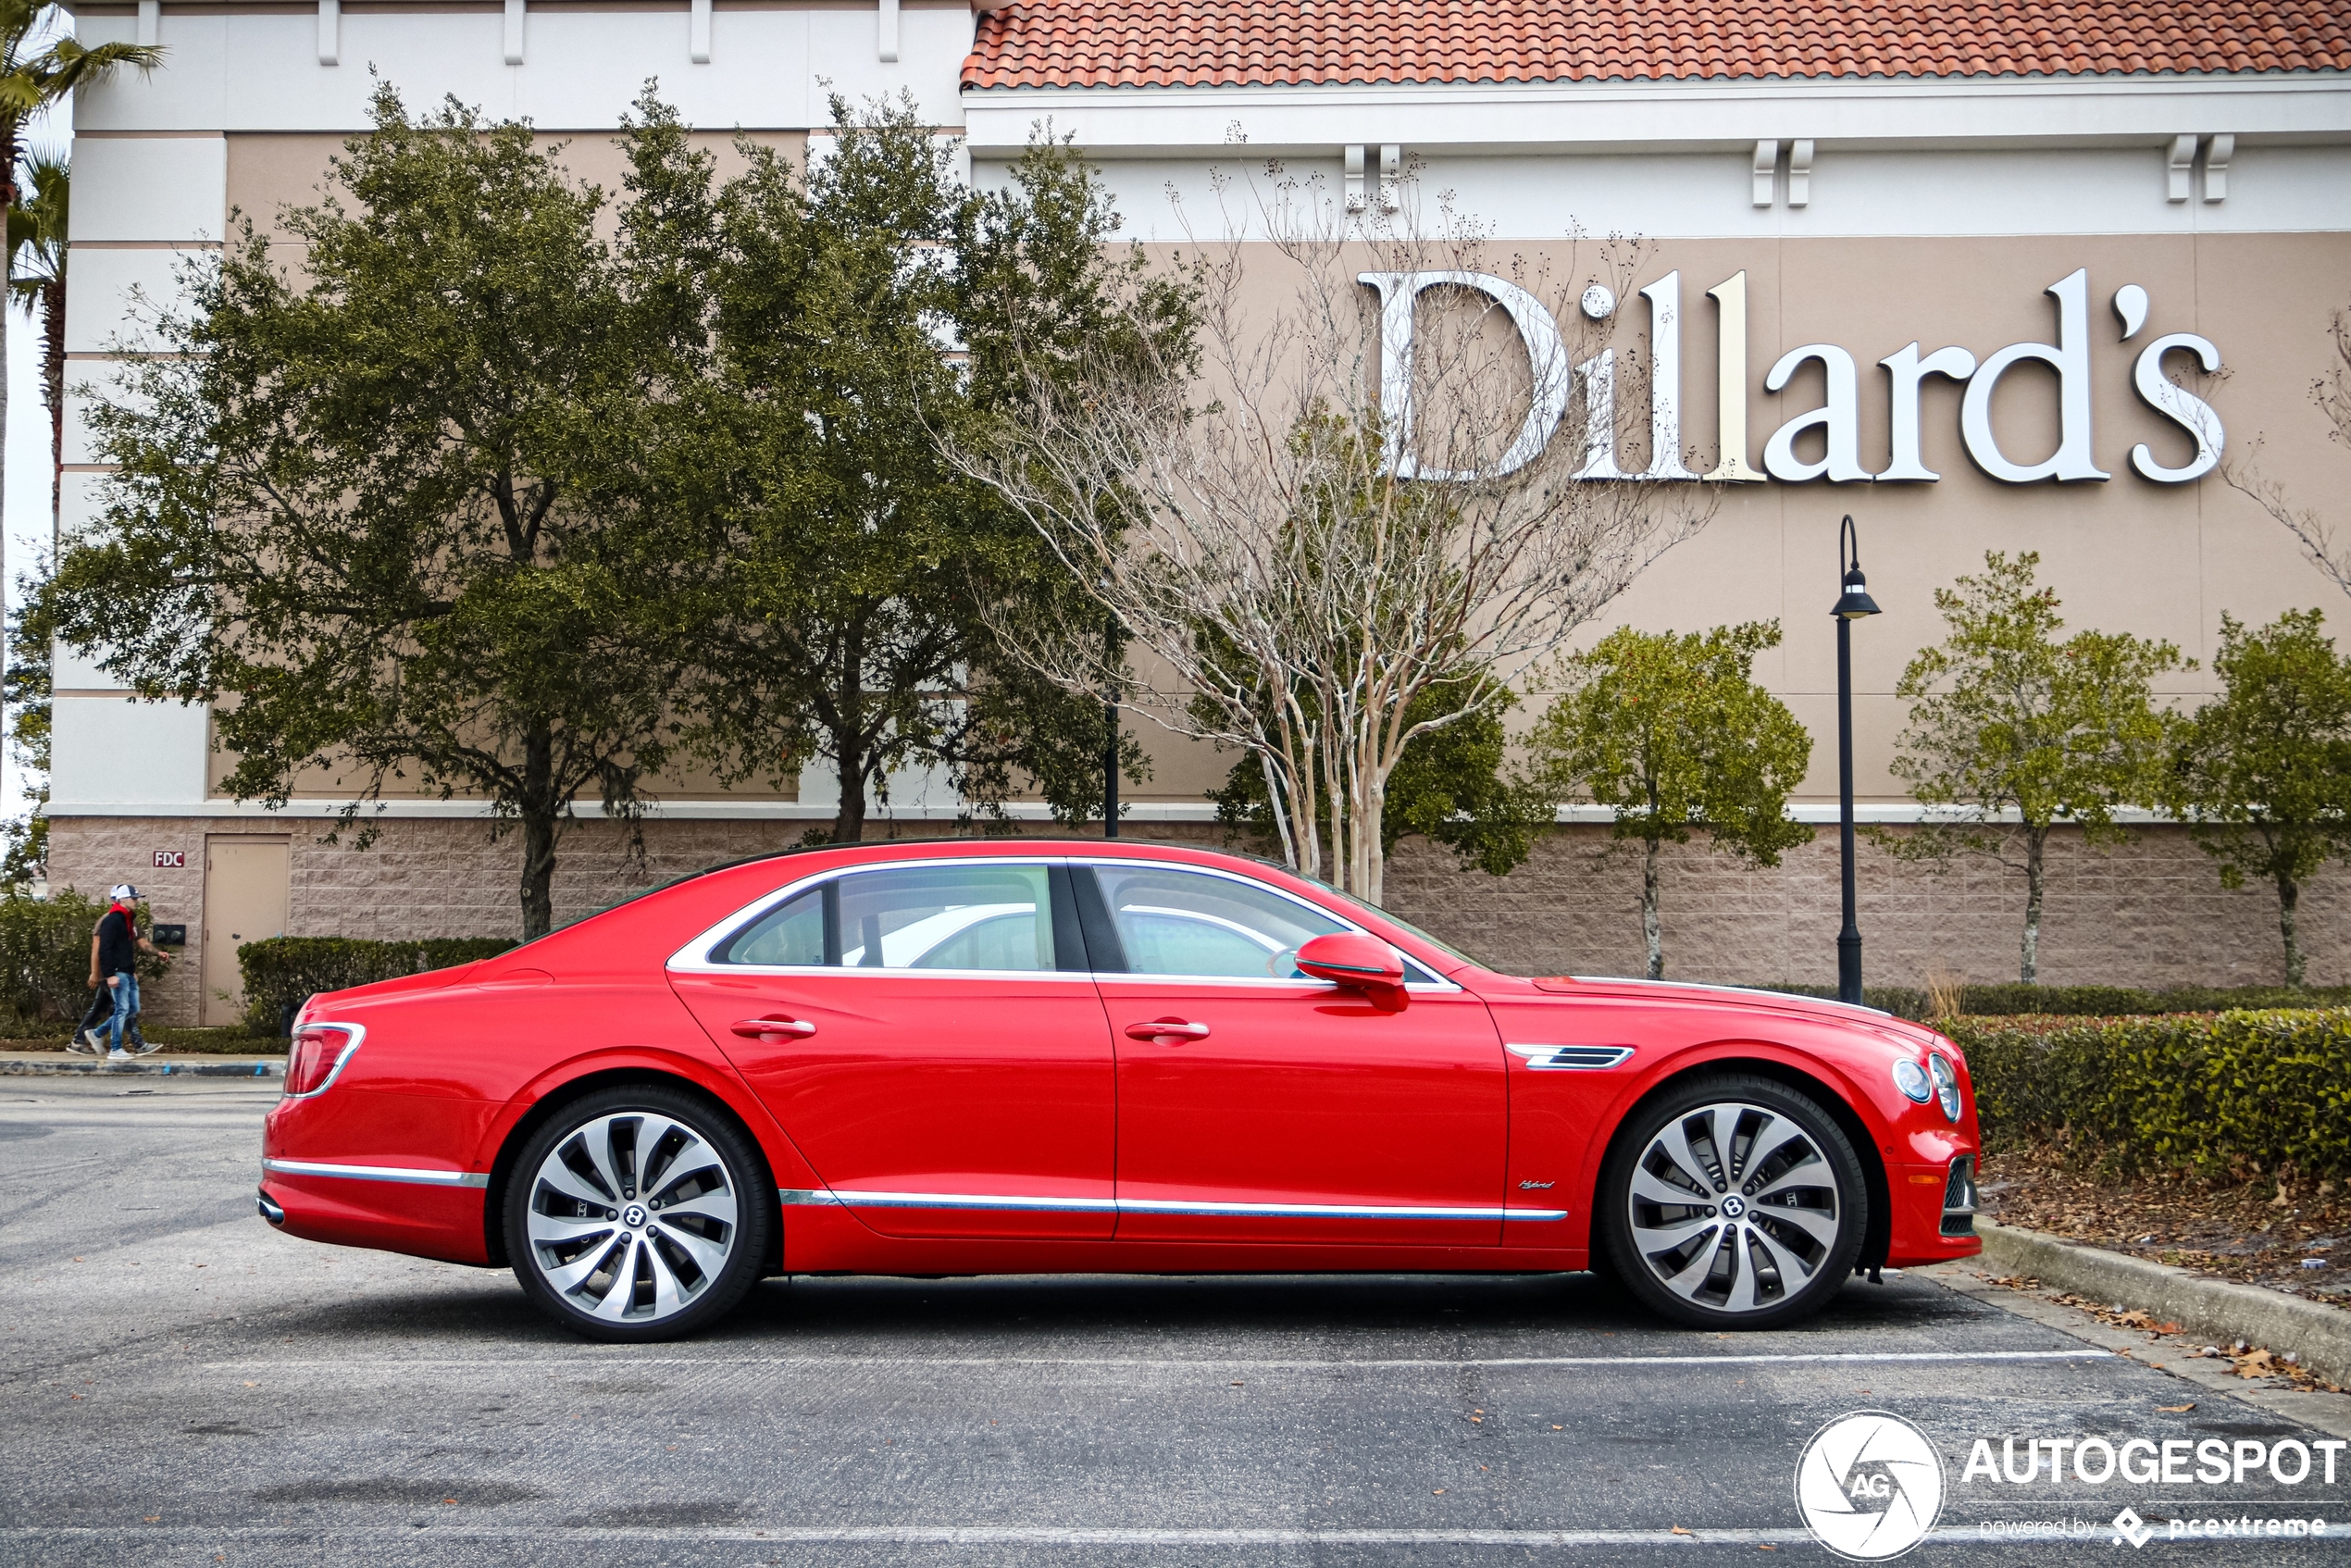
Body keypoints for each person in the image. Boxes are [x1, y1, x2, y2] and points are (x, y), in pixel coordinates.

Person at [93, 884, 171, 1063]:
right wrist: (110, 974)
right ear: (122, 899)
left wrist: (137, 966)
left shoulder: (127, 920)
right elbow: (105, 949)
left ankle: (98, 1033)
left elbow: (127, 948)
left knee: (133, 1008)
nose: (136, 901)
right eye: (134, 898)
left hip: (127, 971)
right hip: (118, 973)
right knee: (122, 1009)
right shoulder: (112, 920)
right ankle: (115, 1048)